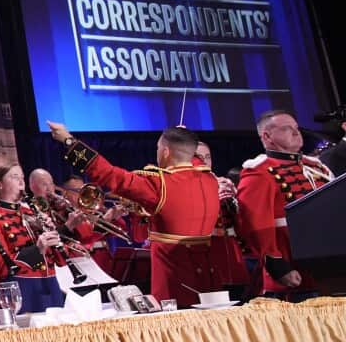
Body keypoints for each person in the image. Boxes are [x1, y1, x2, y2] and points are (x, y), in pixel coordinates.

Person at [47, 122, 220, 307]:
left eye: (158, 148)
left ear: (165, 152)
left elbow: (109, 174)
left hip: (175, 287)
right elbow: (190, 157)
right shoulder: (210, 179)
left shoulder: (159, 185)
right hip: (210, 281)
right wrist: (183, 137)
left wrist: (68, 140)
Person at [236, 110, 334, 298]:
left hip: (331, 269)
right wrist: (277, 266)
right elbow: (255, 224)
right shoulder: (260, 171)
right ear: (267, 136)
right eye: (287, 128)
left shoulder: (316, 167)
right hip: (294, 271)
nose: (296, 133)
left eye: (296, 128)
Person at [0, 164, 65, 312]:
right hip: (22, 290)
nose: (21, 182)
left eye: (22, 178)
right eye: (15, 177)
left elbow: (59, 260)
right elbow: (2, 269)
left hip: (50, 285)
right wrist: (37, 249)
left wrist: (55, 237)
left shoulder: (33, 213)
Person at [196, 141, 250, 296]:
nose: (204, 162)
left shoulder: (222, 182)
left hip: (231, 250)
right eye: (199, 157)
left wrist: (236, 199)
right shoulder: (184, 187)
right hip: (205, 251)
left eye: (208, 157)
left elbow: (241, 223)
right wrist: (213, 200)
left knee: (238, 297)